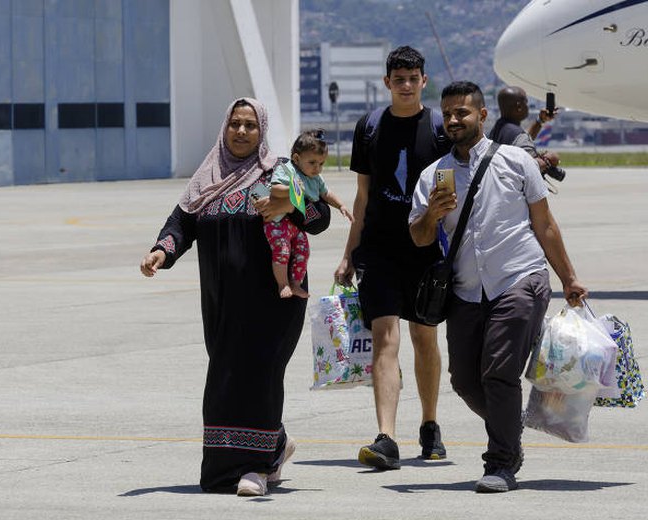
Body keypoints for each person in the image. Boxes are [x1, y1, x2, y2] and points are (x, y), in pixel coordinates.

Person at [139, 98, 330, 496]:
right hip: (223, 302)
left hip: (274, 301)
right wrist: (162, 250)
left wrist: (290, 204)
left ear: (262, 132)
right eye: (235, 124)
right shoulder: (206, 178)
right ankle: (266, 449)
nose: (241, 132)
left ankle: (256, 469)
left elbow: (318, 220)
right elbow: (180, 224)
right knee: (226, 380)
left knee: (259, 375)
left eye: (250, 126)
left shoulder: (278, 172)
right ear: (225, 128)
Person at [409, 81, 587, 493]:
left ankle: (501, 462)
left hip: (519, 278)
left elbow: (544, 224)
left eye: (463, 113)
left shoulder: (515, 161)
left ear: (482, 115)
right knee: (465, 381)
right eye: (448, 113)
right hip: (466, 289)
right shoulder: (434, 175)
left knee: (499, 372)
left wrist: (569, 277)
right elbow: (417, 237)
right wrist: (432, 216)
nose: (454, 120)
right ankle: (510, 433)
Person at [334, 45, 452, 470]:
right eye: (398, 79)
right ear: (387, 83)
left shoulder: (439, 128)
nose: (405, 85)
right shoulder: (369, 127)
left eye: (413, 78)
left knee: (425, 338)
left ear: (423, 81)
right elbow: (362, 198)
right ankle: (386, 436)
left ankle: (430, 423)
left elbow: (449, 196)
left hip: (425, 252)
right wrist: (348, 254)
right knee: (385, 337)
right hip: (380, 251)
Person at [263, 129, 353, 298]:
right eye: (312, 163)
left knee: (303, 251)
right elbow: (275, 189)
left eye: (321, 163)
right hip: (279, 221)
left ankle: (296, 283)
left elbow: (326, 193)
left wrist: (341, 205)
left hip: (297, 224)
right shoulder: (288, 170)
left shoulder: (315, 178)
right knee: (282, 250)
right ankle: (283, 284)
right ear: (297, 159)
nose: (317, 168)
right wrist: (292, 189)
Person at [489, 86, 562, 182]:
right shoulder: (518, 136)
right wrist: (547, 160)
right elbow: (532, 167)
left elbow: (522, 140)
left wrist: (540, 121)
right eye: (526, 103)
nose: (528, 106)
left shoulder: (499, 128)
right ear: (519, 107)